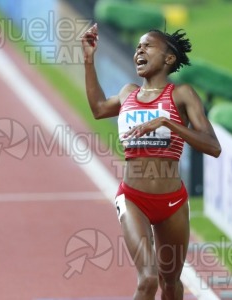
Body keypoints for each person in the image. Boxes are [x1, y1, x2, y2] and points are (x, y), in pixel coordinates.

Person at [81, 23, 221, 299]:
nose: (139, 50)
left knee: (171, 284)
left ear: (168, 59)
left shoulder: (182, 95)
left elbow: (213, 146)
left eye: (147, 46)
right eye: (137, 47)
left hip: (172, 203)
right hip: (133, 198)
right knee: (148, 279)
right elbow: (98, 109)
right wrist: (88, 59)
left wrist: (169, 122)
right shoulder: (127, 93)